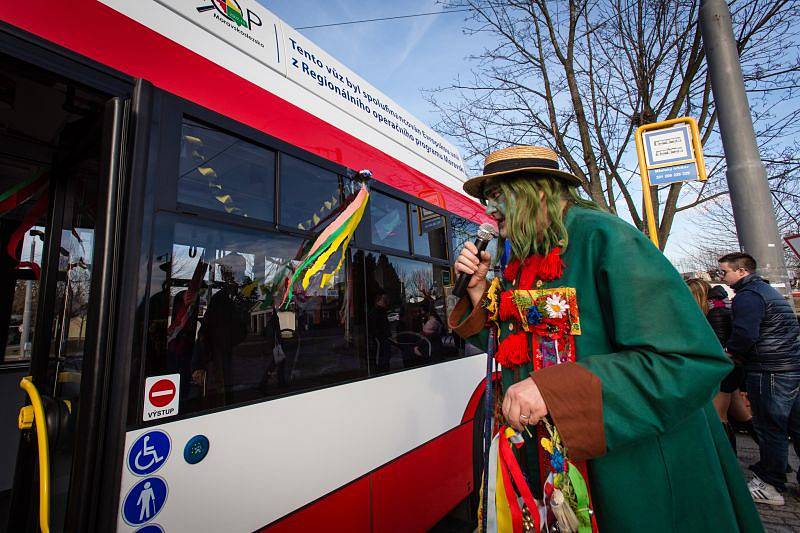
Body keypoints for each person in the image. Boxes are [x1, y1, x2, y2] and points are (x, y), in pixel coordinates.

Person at [449, 145, 762, 531]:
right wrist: (479, 292)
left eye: (496, 195)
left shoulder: (606, 237)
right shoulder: (523, 260)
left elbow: (688, 361)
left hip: (633, 469)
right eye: (486, 198)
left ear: (537, 191)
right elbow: (517, 348)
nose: (489, 210)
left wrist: (554, 390)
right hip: (561, 462)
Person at [719, 251, 800, 506]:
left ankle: (770, 484)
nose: (721, 276)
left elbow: (745, 334)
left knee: (770, 427)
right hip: (789, 367)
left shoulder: (748, 297)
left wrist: (729, 353)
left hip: (768, 370)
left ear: (742, 271)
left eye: (725, 272)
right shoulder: (768, 293)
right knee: (796, 427)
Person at [686, 278, 742, 452]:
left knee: (719, 417)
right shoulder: (719, 307)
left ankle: (728, 457)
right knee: (741, 414)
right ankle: (774, 458)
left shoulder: (715, 313)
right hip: (729, 368)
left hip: (722, 370)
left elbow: (717, 343)